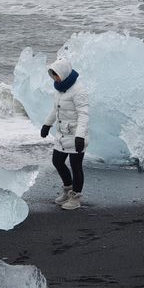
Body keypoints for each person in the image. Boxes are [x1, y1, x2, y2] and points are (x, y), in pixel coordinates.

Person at [40, 58, 89, 210]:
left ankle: (76, 198)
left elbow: (84, 114)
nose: (54, 78)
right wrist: (47, 125)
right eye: (53, 75)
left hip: (76, 135)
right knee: (57, 161)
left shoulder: (79, 91)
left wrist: (80, 136)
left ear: (64, 73)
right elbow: (56, 109)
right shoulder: (60, 89)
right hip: (62, 134)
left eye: (56, 75)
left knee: (76, 166)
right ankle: (68, 190)